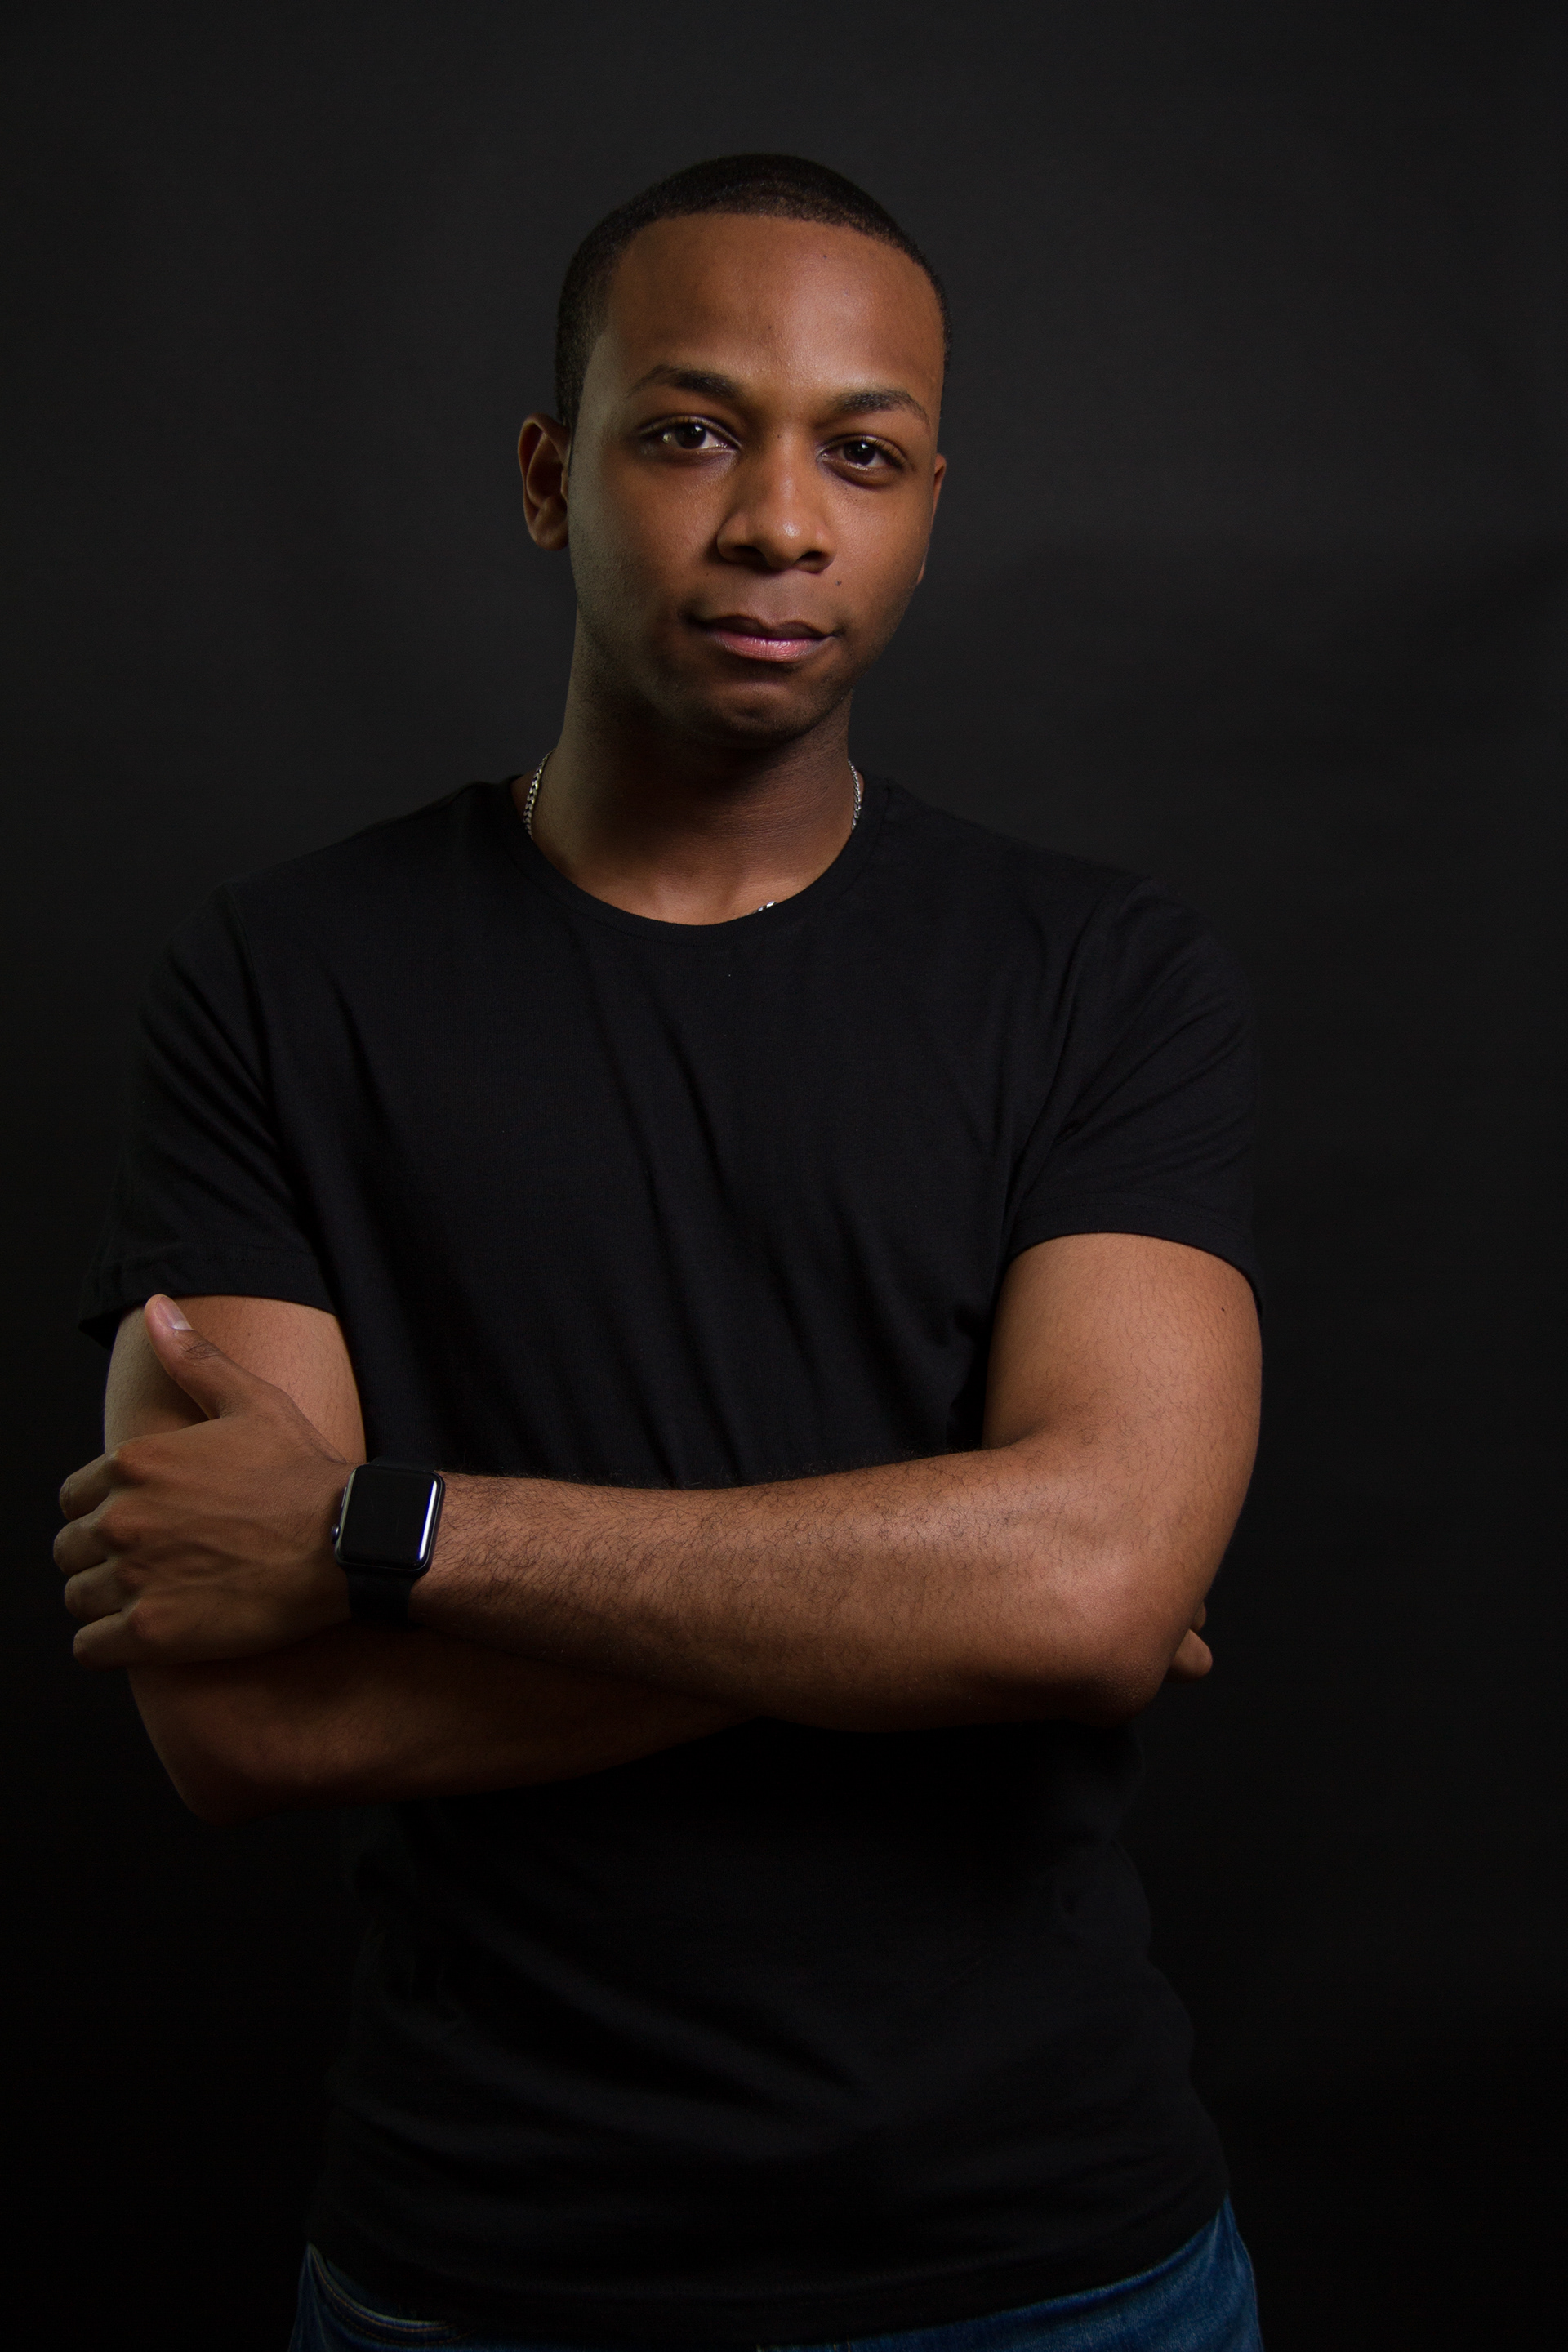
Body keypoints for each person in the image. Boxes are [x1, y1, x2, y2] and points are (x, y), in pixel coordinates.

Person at [59, 155, 1266, 2351]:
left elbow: (1090, 1592)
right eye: (693, 431)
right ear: (551, 476)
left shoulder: (1104, 976)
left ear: (926, 506)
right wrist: (951, 1604)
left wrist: (377, 1531)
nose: (781, 523)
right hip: (483, 2268)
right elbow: (240, 1724)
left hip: (1055, 2265)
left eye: (863, 455)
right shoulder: (277, 981)